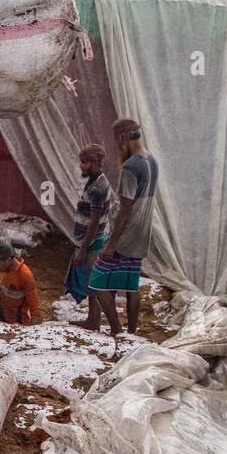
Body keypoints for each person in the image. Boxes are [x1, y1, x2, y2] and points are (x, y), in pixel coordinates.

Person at [90, 118, 157, 342]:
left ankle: (117, 331)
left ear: (122, 138)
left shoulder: (131, 167)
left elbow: (125, 209)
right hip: (142, 231)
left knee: (98, 281)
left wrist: (111, 244)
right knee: (131, 283)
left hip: (127, 233)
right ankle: (132, 332)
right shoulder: (151, 161)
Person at [65, 143, 113, 331]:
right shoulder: (95, 181)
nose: (81, 166)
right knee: (92, 285)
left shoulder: (98, 187)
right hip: (93, 241)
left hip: (92, 244)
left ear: (94, 162)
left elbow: (93, 222)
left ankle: (101, 323)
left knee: (94, 286)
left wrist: (82, 250)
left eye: (84, 163)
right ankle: (93, 320)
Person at [0, 239, 42, 325]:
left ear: (8, 259)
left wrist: (31, 334)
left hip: (19, 321)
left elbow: (35, 310)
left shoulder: (25, 275)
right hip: (2, 316)